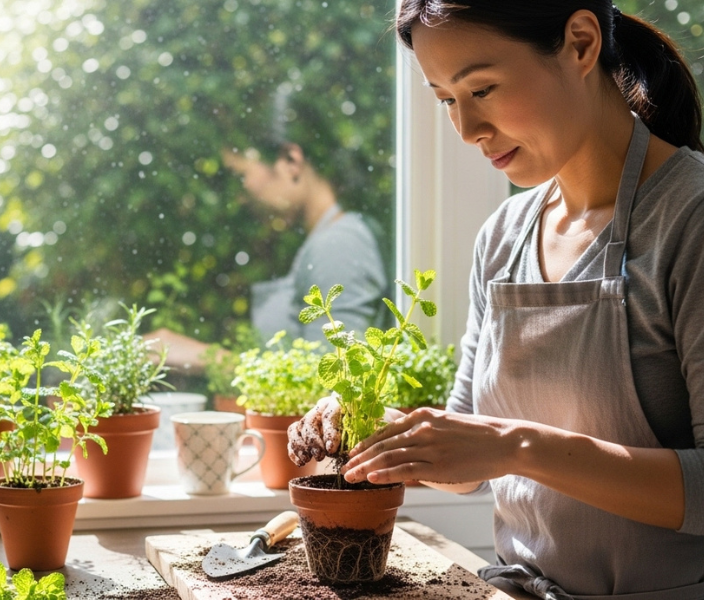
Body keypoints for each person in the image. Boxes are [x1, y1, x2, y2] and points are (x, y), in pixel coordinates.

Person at [288, 1, 704, 597]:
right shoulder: (504, 236)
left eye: (482, 88)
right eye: (446, 99)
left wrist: (517, 445)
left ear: (581, 43)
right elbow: (468, 465)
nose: (465, 129)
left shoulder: (690, 219)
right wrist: (385, 427)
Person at [147, 141, 388, 374]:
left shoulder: (339, 244)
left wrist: (208, 359)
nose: (241, 197)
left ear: (291, 162)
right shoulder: (326, 239)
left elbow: (335, 378)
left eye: (242, 175)